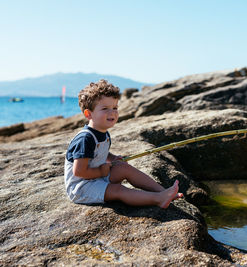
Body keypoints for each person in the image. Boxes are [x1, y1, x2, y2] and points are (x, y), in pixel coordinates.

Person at [64, 79, 182, 208]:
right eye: (105, 108)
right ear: (88, 114)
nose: (112, 112)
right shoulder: (85, 139)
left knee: (123, 167)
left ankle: (163, 192)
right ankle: (158, 199)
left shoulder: (103, 133)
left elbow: (98, 152)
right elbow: (79, 171)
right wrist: (101, 172)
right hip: (82, 188)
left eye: (115, 107)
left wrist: (112, 158)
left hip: (96, 179)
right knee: (118, 190)